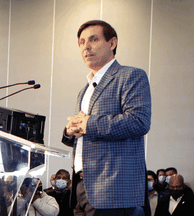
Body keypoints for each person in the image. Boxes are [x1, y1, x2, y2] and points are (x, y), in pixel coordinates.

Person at [61, 20, 151, 216]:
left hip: (113, 188)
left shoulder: (131, 76)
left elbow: (139, 121)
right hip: (82, 187)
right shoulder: (84, 90)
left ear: (112, 43)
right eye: (82, 42)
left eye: (93, 39)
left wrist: (88, 124)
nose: (86, 47)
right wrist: (70, 131)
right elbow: (86, 131)